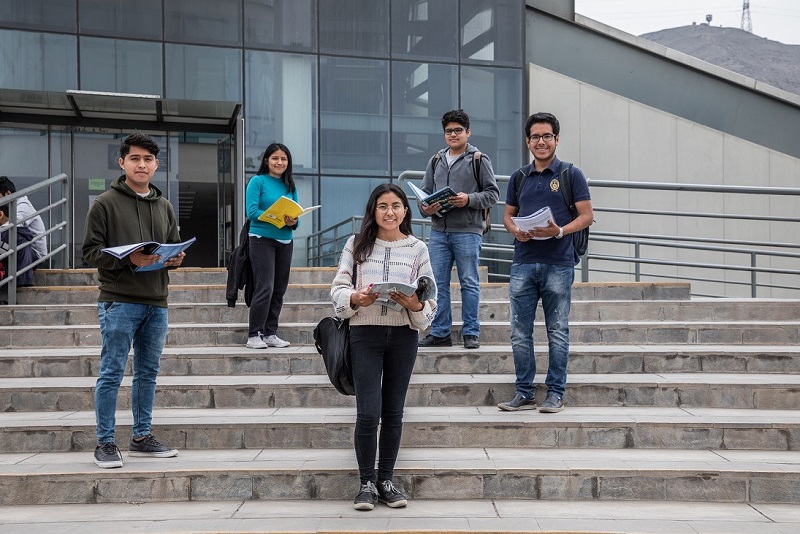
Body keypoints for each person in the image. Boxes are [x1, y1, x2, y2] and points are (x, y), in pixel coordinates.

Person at [331, 183, 437, 511]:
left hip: (403, 337)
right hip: (364, 335)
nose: (389, 212)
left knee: (393, 412)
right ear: (373, 211)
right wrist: (354, 297)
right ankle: (365, 484)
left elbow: (431, 298)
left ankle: (386, 480)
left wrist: (416, 305)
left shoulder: (418, 248)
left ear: (406, 211)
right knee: (368, 413)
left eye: (395, 206)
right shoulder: (356, 244)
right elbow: (337, 288)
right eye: (382, 206)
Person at [82, 133, 185, 468]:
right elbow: (89, 253)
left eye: (148, 159)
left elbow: (174, 244)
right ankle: (105, 443)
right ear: (122, 162)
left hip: (157, 300)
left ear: (156, 164)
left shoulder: (165, 205)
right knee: (112, 372)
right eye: (136, 158)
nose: (142, 165)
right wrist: (129, 259)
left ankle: (141, 436)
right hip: (119, 301)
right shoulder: (104, 204)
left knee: (147, 373)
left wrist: (174, 258)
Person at [498, 112, 594, 413]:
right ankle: (524, 392)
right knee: (519, 332)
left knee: (558, 330)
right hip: (523, 262)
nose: (541, 142)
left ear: (556, 139)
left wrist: (560, 231)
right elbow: (507, 215)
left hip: (559, 262)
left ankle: (555, 393)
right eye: (536, 137)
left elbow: (587, 215)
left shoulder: (570, 174)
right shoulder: (519, 177)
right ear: (528, 141)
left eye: (547, 136)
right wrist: (515, 230)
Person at [417, 109, 498, 350]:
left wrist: (469, 199)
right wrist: (426, 209)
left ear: (468, 132)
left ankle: (471, 332)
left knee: (469, 282)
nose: (453, 134)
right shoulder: (435, 160)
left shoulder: (479, 159)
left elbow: (492, 194)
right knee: (437, 284)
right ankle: (440, 332)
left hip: (468, 231)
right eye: (449, 131)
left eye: (458, 130)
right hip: (439, 232)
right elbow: (423, 196)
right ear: (444, 134)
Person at [243, 142, 297, 349]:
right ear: (267, 160)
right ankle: (254, 334)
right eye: (275, 158)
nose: (279, 162)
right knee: (265, 287)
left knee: (279, 289)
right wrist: (274, 217)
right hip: (261, 239)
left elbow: (297, 217)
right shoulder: (257, 182)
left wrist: (293, 221)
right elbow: (252, 212)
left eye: (283, 159)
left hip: (285, 240)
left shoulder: (290, 185)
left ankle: (270, 333)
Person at [0, 175, 47, 261]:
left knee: (8, 233)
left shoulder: (23, 206)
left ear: (8, 193)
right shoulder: (10, 207)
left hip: (35, 255)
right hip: (23, 251)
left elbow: (11, 227)